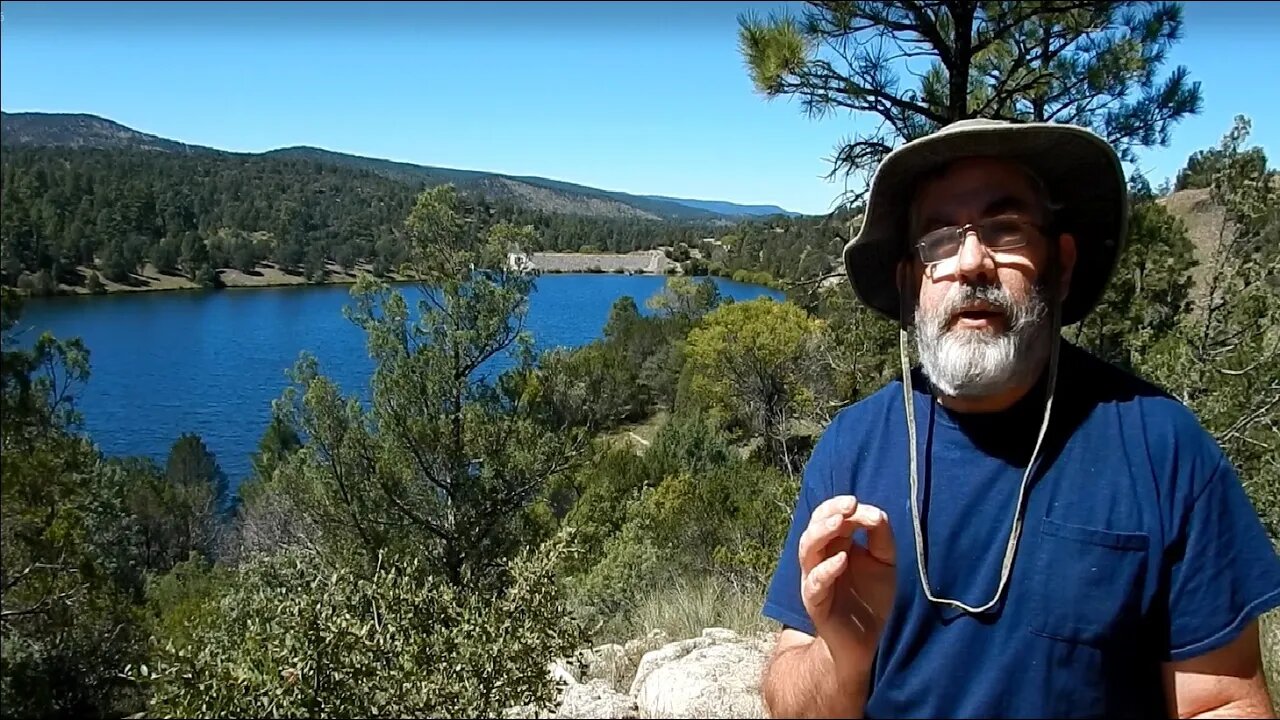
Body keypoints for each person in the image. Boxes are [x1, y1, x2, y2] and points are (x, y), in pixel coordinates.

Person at [759, 118, 1280, 719]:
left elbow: (1222, 702)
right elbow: (794, 707)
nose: (973, 261)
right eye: (940, 240)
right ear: (910, 284)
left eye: (1005, 230)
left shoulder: (1163, 446)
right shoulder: (852, 449)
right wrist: (842, 654)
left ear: (1059, 264)